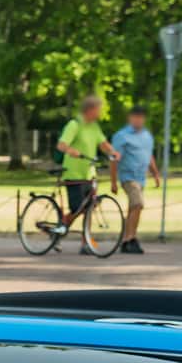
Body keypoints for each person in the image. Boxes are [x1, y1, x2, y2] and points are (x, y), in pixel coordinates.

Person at [54, 95, 117, 255]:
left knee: (89, 207)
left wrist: (113, 152)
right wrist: (71, 150)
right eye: (98, 110)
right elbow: (61, 145)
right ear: (90, 110)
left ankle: (85, 242)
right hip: (74, 173)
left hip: (89, 174)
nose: (100, 113)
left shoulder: (94, 127)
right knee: (77, 209)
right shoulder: (74, 125)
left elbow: (102, 143)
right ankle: (59, 230)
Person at [107, 103, 161, 255]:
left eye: (141, 118)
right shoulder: (122, 136)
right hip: (128, 176)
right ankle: (129, 238)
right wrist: (113, 181)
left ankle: (128, 239)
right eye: (135, 117)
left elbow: (149, 155)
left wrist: (155, 173)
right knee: (138, 204)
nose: (138, 121)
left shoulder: (146, 136)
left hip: (141, 177)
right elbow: (113, 158)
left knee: (133, 208)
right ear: (130, 118)